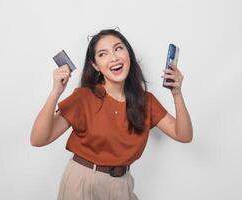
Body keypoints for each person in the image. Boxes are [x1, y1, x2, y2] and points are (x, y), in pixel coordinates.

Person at [30, 29, 193, 200]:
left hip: (122, 185)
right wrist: (56, 91)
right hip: (83, 182)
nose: (114, 57)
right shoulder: (84, 97)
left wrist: (177, 94)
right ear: (95, 66)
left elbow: (183, 135)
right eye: (103, 54)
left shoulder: (146, 101)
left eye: (118, 49)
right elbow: (38, 139)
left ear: (128, 54)